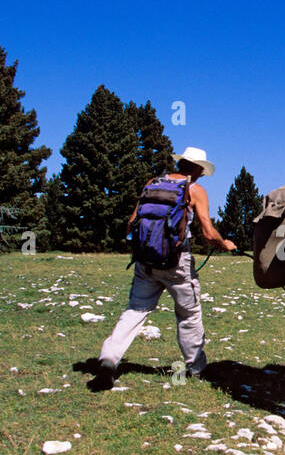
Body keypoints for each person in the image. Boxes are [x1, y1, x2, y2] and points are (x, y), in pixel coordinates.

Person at [94, 147, 236, 386]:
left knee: (136, 310)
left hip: (146, 260)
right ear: (198, 168)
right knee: (188, 314)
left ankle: (109, 357)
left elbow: (132, 223)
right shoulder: (195, 190)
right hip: (177, 262)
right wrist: (226, 245)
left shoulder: (153, 183)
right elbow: (208, 233)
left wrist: (143, 249)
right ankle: (196, 368)